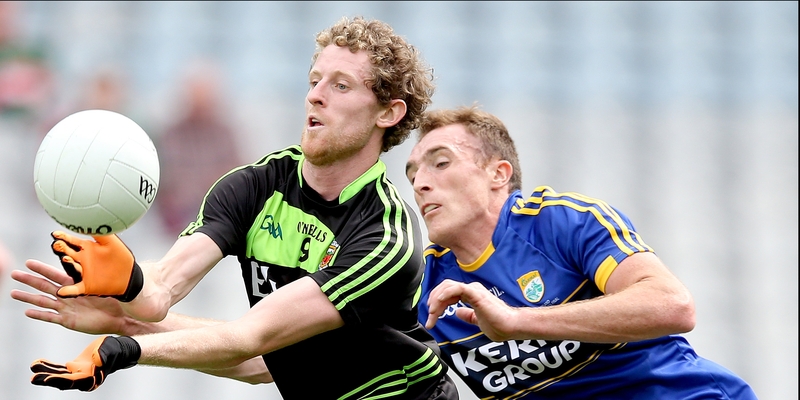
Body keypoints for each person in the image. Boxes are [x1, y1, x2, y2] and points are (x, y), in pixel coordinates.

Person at [10, 16, 458, 400]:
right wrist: (127, 296)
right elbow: (162, 295)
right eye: (314, 80)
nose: (315, 96)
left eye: (341, 85)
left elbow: (250, 342)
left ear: (388, 114)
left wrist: (126, 349)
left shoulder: (384, 236)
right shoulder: (254, 186)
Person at [404, 106, 758, 399]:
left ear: (498, 174)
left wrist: (516, 322)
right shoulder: (426, 290)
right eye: (413, 174)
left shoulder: (560, 221)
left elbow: (673, 306)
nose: (420, 183)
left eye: (441, 163)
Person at [156, 60, 243, 235]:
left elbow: (237, 172)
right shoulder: (172, 133)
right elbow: (168, 176)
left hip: (219, 218)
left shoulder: (225, 133)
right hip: (176, 221)